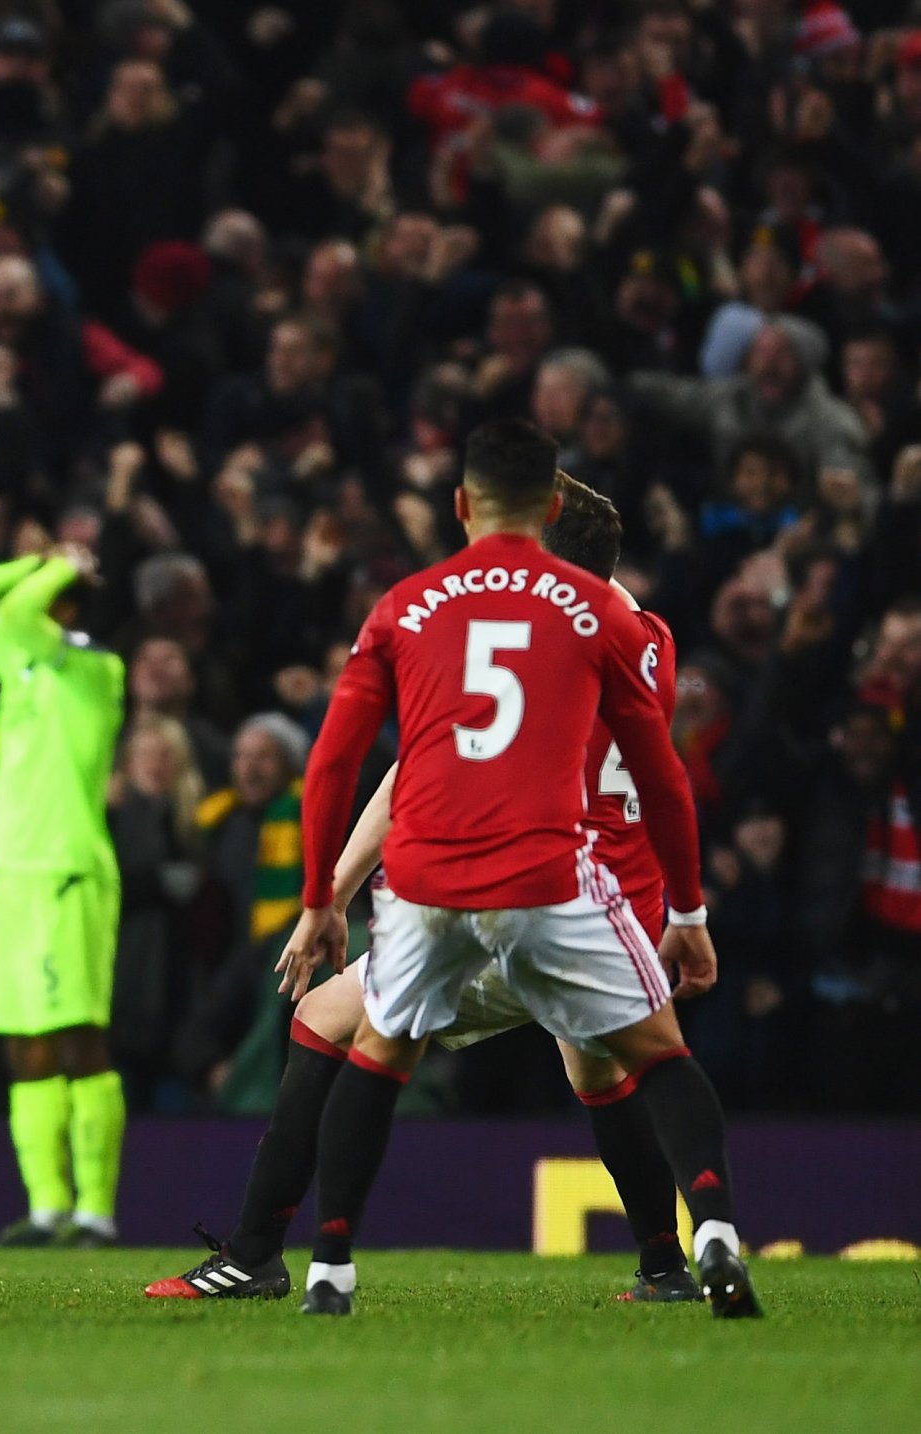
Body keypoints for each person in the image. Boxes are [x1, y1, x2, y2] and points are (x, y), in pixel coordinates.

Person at [151, 477, 701, 1304]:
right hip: (622, 903)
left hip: (535, 901)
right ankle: (669, 1267)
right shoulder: (645, 633)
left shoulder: (536, 641)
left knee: (323, 1016)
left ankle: (257, 1254)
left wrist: (330, 894)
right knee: (598, 1073)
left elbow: (421, 771)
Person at [281, 420, 757, 1318]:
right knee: (641, 1061)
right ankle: (703, 1243)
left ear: (469, 510)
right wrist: (691, 911)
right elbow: (661, 772)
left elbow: (360, 764)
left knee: (367, 1043)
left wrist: (324, 892)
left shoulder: (430, 607)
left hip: (457, 879)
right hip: (580, 893)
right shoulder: (635, 631)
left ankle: (322, 1267)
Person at [0, 548, 129, 1247]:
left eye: (52, 596)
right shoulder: (22, 664)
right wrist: (38, 559)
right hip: (13, 873)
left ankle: (96, 1211)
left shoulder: (95, 673)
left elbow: (11, 612)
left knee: (78, 1036)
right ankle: (48, 1210)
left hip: (68, 872)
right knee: (23, 1042)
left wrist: (56, 570)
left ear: (68, 611)